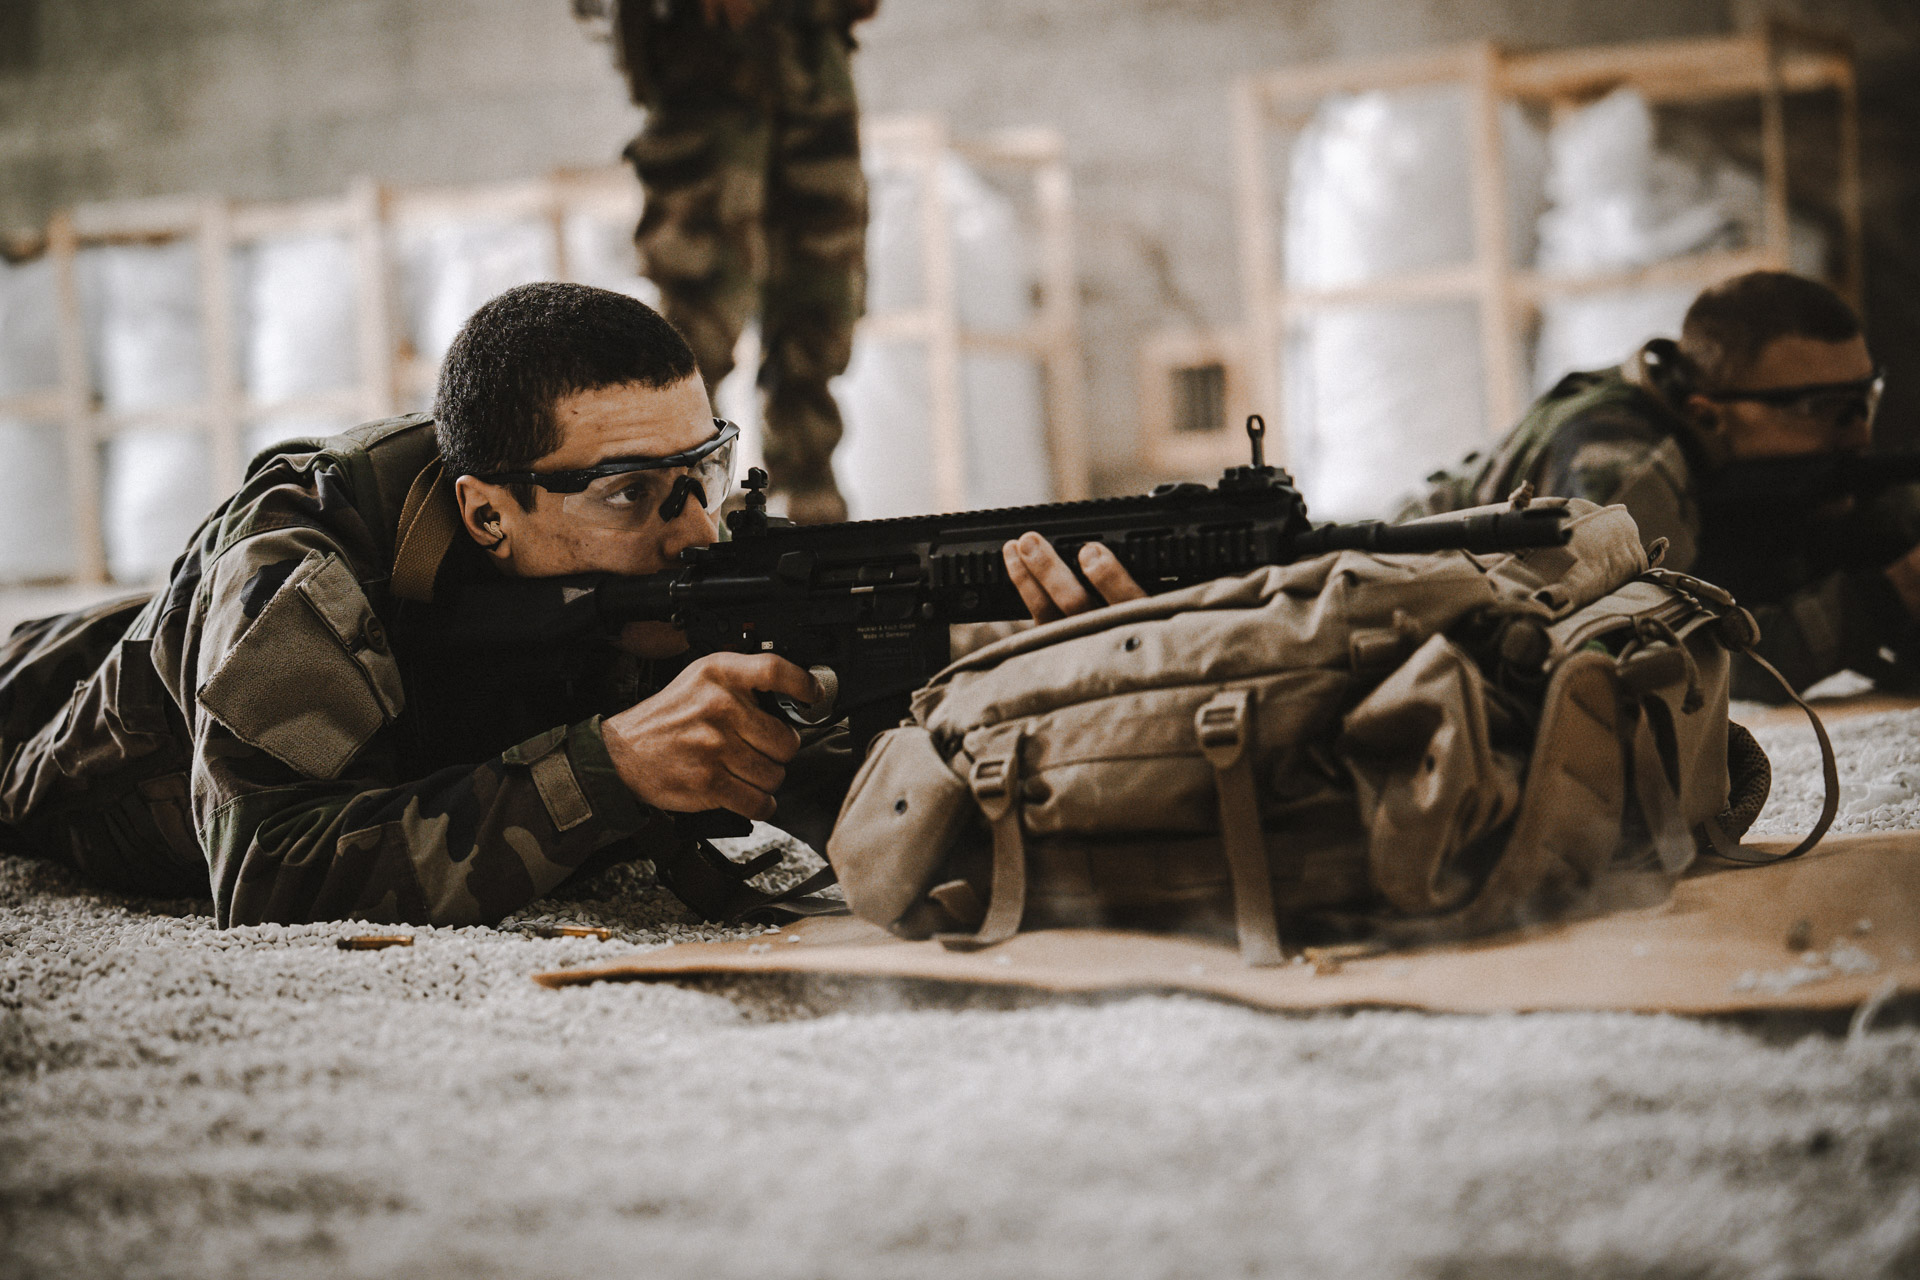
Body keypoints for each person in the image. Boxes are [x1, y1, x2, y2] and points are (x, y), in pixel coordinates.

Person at [0, 283, 1136, 928]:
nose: (695, 526)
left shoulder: (670, 554)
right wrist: (611, 767)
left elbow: (849, 774)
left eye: (710, 466)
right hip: (56, 723)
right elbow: (264, 869)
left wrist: (1033, 664)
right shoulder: (303, 577)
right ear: (488, 514)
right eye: (634, 491)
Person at [1407, 271, 1915, 700]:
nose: (1860, 432)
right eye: (1821, 408)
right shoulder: (1625, 473)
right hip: (1404, 610)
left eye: (1864, 398)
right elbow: (1665, 663)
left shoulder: (1770, 465)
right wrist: (1889, 594)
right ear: (1708, 415)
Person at [597, 0, 879, 524]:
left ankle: (808, 506)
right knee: (698, 306)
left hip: (811, 49)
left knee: (822, 288)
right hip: (707, 51)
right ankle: (685, 508)